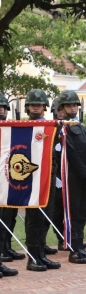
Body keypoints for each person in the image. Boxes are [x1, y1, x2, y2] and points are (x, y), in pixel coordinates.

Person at [59, 90, 86, 264]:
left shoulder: (80, 127)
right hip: (73, 177)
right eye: (69, 105)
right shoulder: (63, 128)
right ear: (62, 108)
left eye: (75, 105)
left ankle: (79, 246)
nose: (73, 108)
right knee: (74, 214)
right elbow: (71, 155)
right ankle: (73, 250)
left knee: (83, 213)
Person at [22, 89, 62, 272]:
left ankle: (41, 254)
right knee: (34, 218)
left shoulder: (50, 126)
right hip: (32, 176)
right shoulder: (21, 128)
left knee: (47, 216)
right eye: (33, 104)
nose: (36, 107)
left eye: (39, 104)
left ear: (45, 107)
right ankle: (32, 258)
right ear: (27, 107)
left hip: (49, 174)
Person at [0, 92, 19, 278]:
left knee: (4, 221)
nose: (1, 110)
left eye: (3, 107)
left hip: (4, 182)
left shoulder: (10, 129)